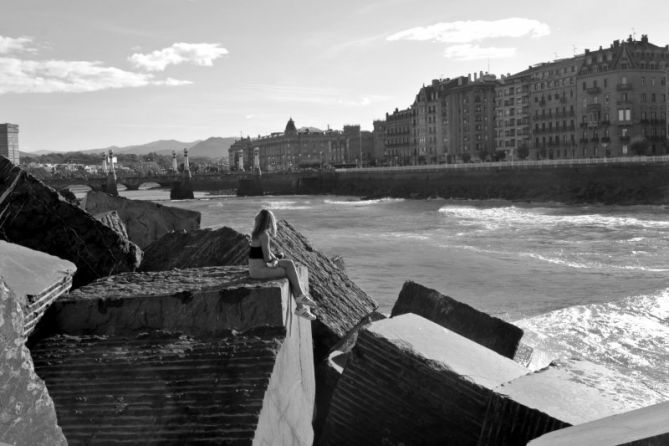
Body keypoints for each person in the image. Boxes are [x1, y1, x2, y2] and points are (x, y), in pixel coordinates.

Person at [248, 209, 317, 320]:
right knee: (288, 272)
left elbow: (267, 253)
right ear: (269, 222)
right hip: (259, 271)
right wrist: (275, 261)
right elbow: (267, 258)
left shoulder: (256, 233)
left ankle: (301, 302)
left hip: (255, 269)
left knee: (288, 264)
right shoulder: (264, 235)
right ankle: (300, 303)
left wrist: (276, 258)